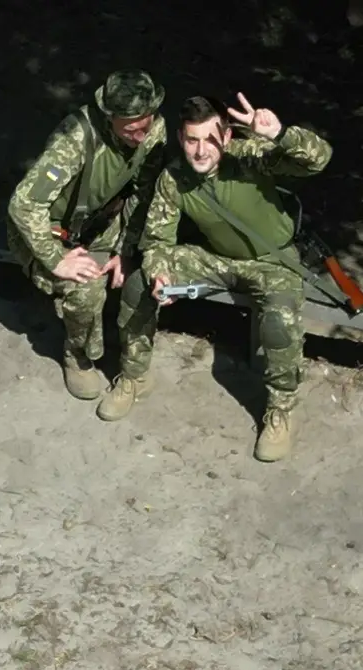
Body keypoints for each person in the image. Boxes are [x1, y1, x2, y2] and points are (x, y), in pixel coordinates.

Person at [140, 92, 334, 460]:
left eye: (210, 139)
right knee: (139, 281)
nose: (201, 150)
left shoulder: (249, 156)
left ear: (227, 136)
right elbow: (156, 241)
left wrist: (279, 134)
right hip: (217, 260)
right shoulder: (174, 177)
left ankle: (280, 411)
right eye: (192, 140)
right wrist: (159, 273)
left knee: (278, 322)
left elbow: (318, 159)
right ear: (181, 138)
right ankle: (133, 374)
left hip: (272, 263)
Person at [6, 70, 168, 421]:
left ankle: (133, 363)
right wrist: (56, 259)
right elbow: (24, 205)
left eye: (146, 124)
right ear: (109, 117)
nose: (141, 136)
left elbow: (142, 195)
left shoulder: (154, 131)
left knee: (148, 265)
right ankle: (77, 354)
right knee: (86, 286)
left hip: (100, 224)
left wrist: (125, 249)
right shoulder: (75, 139)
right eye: (131, 129)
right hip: (47, 233)